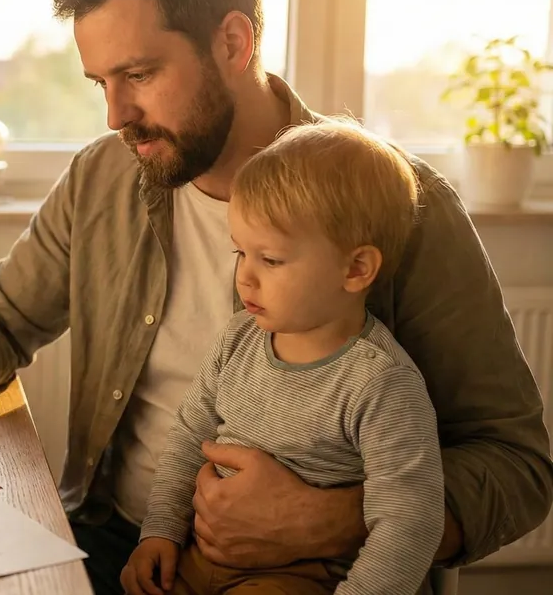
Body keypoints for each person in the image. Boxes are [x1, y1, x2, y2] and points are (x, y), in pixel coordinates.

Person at [0, 0, 553, 594]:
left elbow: (520, 468)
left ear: (232, 43)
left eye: (138, 76)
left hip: (322, 571)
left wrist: (331, 516)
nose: (115, 117)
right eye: (101, 84)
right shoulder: (103, 176)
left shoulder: (405, 206)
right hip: (122, 544)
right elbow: (0, 316)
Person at [123, 122, 444, 595]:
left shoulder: (380, 382)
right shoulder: (238, 340)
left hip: (296, 576)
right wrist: (160, 531)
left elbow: (409, 522)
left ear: (356, 269)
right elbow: (188, 437)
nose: (245, 278)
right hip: (197, 556)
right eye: (240, 252)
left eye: (270, 260)